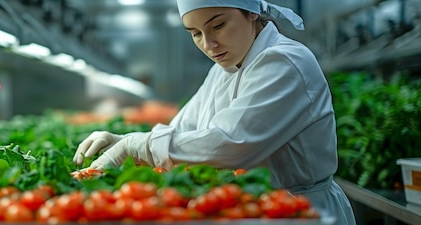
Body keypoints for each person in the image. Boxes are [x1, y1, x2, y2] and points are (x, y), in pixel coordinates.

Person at [72, 0, 356, 224]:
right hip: (253, 208)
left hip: (303, 212)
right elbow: (185, 135)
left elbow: (230, 144)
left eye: (218, 26)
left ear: (252, 13)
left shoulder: (283, 62)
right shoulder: (222, 71)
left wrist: (137, 145)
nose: (208, 45)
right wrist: (124, 140)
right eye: (195, 33)